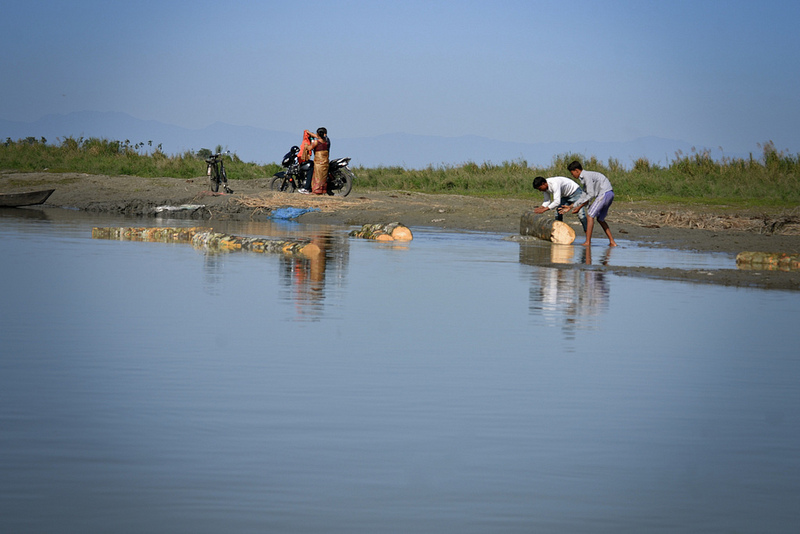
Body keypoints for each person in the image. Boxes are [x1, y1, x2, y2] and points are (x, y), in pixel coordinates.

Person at [562, 160, 618, 247]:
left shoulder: (586, 176)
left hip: (604, 194)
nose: (572, 175)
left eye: (572, 173)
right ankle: (612, 242)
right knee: (600, 219)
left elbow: (590, 195)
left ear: (577, 170)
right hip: (609, 194)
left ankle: (588, 241)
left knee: (590, 215)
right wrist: (571, 206)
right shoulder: (585, 177)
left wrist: (578, 206)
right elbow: (584, 195)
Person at [298, 127, 330, 195]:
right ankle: (322, 190)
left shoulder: (316, 142)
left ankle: (315, 190)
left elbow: (309, 148)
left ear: (318, 134)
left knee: (317, 176)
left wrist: (306, 145)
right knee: (322, 176)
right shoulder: (326, 140)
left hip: (318, 162)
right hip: (325, 161)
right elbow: (318, 137)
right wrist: (309, 133)